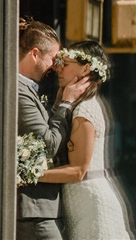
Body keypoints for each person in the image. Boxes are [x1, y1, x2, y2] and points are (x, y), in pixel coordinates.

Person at [38, 41, 134, 239]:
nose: (59, 69)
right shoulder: (81, 105)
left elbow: (78, 170)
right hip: (82, 199)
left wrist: (29, 176)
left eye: (66, 63)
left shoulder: (84, 110)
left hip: (90, 203)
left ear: (86, 68)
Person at [16, 17, 89, 239]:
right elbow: (47, 144)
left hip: (40, 209)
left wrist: (58, 104)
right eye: (53, 59)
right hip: (35, 212)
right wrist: (66, 104)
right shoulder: (18, 91)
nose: (56, 67)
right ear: (35, 54)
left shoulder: (28, 89)